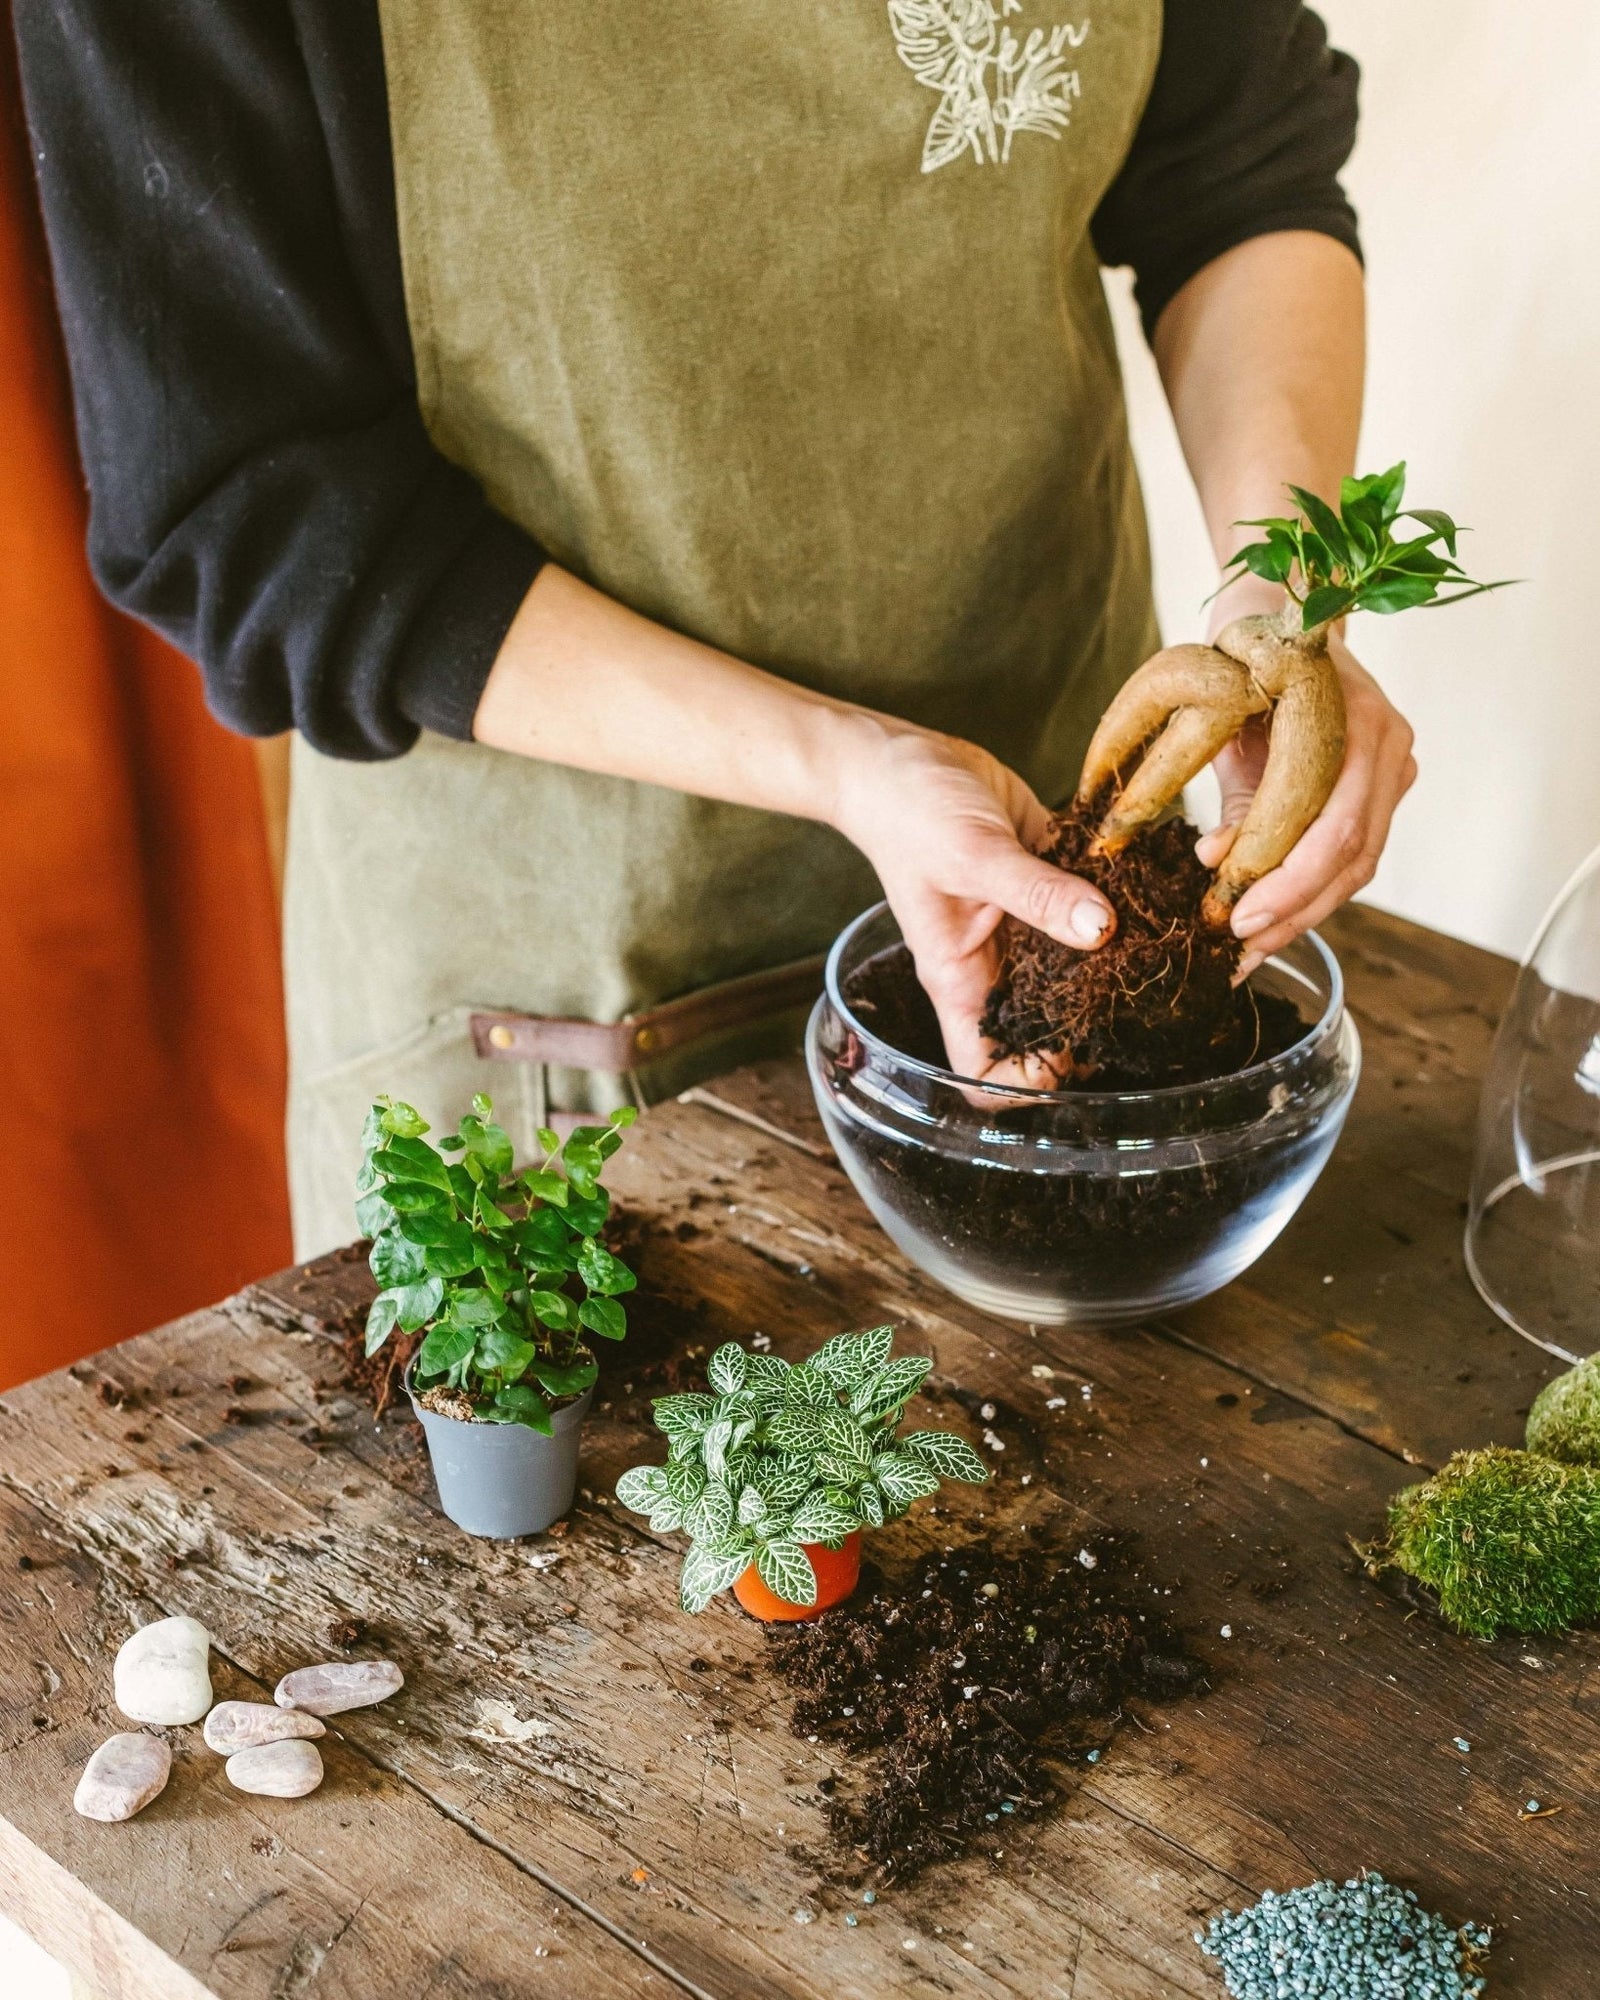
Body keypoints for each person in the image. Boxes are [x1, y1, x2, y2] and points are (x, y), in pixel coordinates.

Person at [16, 0, 1414, 1255]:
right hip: (562, 1012)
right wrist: (846, 766)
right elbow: (250, 505)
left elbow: (1239, 172)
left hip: (1057, 922)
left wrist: (1279, 609)